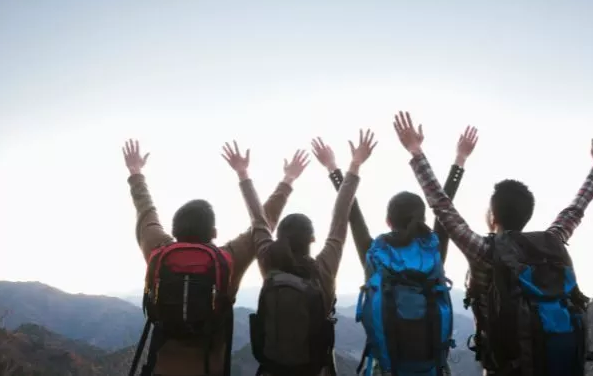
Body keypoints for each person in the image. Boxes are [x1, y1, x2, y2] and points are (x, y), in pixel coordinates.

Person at [393, 111, 593, 376]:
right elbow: (576, 209)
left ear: (492, 217)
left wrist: (415, 151)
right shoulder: (552, 242)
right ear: (527, 215)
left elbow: (441, 206)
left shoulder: (485, 252)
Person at [123, 139, 308, 376]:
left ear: (174, 230)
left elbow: (146, 210)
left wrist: (135, 172)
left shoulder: (158, 252)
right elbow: (264, 222)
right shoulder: (227, 260)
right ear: (213, 233)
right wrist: (286, 180)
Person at [228, 129, 377, 376]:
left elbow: (258, 218)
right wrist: (351, 165)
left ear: (279, 237)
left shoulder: (269, 261)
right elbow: (341, 215)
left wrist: (244, 174)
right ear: (312, 238)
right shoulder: (324, 269)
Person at [309, 126, 477, 267]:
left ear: (388, 221)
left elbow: (350, 209)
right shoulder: (434, 250)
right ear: (423, 220)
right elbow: (444, 204)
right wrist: (461, 158)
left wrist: (339, 166)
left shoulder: (373, 253)